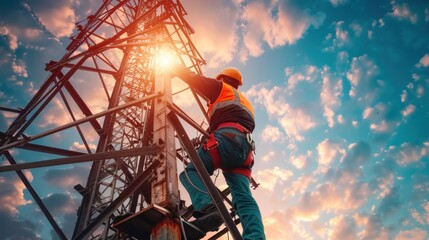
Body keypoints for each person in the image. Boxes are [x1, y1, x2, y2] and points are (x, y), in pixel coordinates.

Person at [170, 64, 266, 240]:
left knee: (191, 173)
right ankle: (255, 237)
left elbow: (193, 78)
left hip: (226, 140)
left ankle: (210, 208)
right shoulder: (243, 101)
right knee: (244, 199)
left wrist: (171, 66)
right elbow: (230, 119)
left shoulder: (220, 87)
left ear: (221, 78)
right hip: (245, 151)